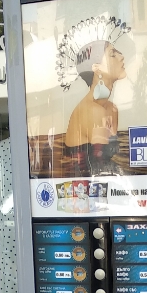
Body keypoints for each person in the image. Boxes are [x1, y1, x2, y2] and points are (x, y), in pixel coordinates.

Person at [56, 15, 131, 176]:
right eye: (113, 54)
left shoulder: (111, 109)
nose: (121, 56)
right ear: (97, 68)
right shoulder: (94, 111)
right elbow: (100, 168)